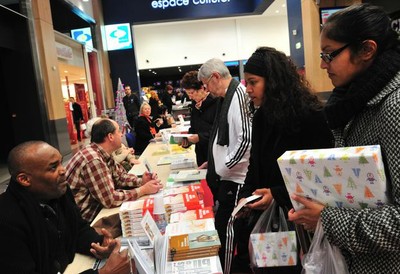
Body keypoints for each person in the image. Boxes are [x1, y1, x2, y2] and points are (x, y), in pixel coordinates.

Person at [287, 4, 400, 274]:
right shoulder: (353, 101)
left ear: (367, 50)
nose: (323, 64)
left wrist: (326, 219)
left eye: (329, 55)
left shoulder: (393, 106)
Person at [230, 47, 333, 274]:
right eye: (246, 83)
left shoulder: (310, 117)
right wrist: (247, 197)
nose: (247, 89)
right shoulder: (261, 116)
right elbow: (255, 165)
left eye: (253, 82)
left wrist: (275, 194)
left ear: (274, 81)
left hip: (299, 221)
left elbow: (320, 175)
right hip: (266, 223)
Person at [0, 141, 134, 274]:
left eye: (60, 162)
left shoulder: (57, 191)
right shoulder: (7, 220)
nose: (63, 170)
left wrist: (98, 243)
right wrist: (105, 273)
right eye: (53, 167)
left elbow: (78, 228)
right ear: (24, 179)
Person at [197, 58, 252, 272]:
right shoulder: (225, 99)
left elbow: (245, 139)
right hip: (227, 176)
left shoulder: (238, 96)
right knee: (223, 228)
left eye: (206, 84)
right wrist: (213, 162)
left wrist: (225, 165)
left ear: (216, 77)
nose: (206, 90)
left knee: (226, 231)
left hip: (236, 178)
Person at [66, 118, 162, 223]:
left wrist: (141, 181)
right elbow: (110, 200)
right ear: (110, 137)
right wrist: (143, 190)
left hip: (98, 211)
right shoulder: (93, 160)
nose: (121, 135)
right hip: (88, 220)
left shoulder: (101, 152)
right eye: (118, 131)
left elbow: (120, 177)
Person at [180, 70, 218, 166]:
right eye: (188, 94)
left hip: (216, 156)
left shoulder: (217, 103)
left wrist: (200, 137)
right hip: (201, 156)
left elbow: (220, 131)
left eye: (192, 93)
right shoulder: (195, 106)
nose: (190, 97)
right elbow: (194, 128)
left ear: (203, 88)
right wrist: (187, 140)